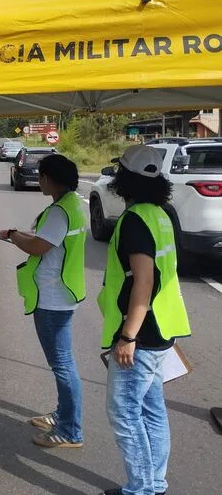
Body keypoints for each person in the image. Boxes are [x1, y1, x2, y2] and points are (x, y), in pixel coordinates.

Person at [97, 145, 191, 495]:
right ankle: (154, 484)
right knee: (151, 410)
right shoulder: (160, 213)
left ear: (123, 179)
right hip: (161, 330)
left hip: (142, 335)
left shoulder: (135, 220)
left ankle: (140, 490)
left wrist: (128, 336)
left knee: (124, 414)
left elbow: (144, 281)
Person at [0, 154, 86, 449]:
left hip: (53, 298)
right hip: (61, 294)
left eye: (41, 174)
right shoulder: (70, 205)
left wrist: (11, 234)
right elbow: (46, 241)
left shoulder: (60, 212)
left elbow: (38, 246)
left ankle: (71, 430)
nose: (39, 179)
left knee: (62, 364)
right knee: (62, 362)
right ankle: (63, 415)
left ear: (48, 178)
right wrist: (18, 236)